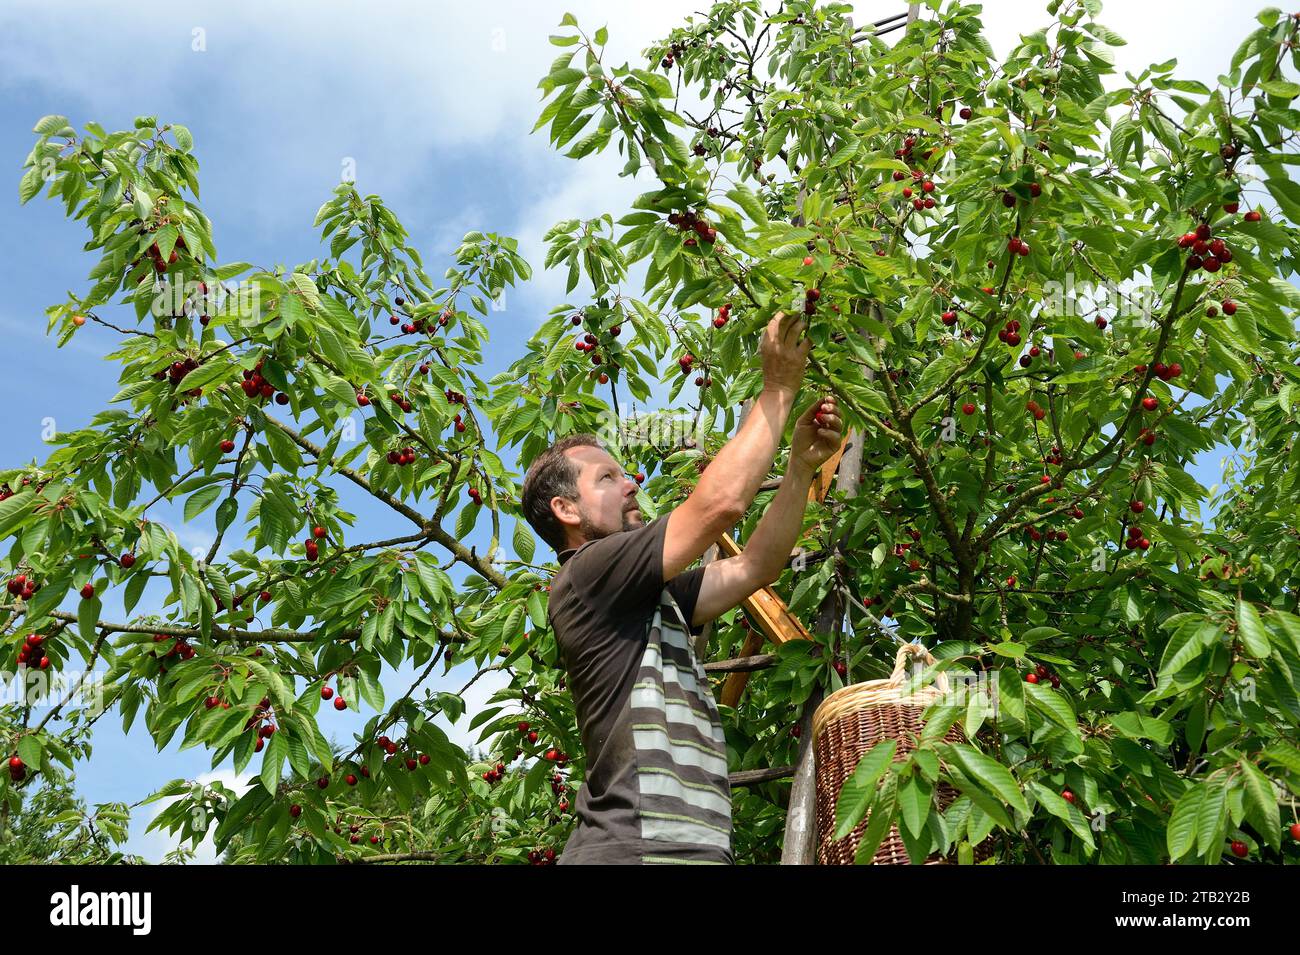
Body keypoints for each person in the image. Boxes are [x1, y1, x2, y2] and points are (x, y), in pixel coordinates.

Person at [519, 310, 843, 864]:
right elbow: (719, 505)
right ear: (565, 509)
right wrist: (778, 388)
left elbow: (755, 568)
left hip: (694, 850)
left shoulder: (653, 600)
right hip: (631, 851)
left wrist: (797, 471)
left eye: (625, 472)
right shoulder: (588, 574)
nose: (631, 483)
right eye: (608, 478)